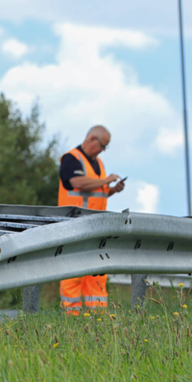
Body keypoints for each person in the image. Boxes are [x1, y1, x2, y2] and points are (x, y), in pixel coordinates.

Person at [57, 125, 126, 315]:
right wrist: (106, 181)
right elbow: (76, 183)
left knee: (96, 273)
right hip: (74, 225)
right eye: (103, 145)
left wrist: (111, 189)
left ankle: (98, 319)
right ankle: (71, 318)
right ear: (92, 139)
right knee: (73, 274)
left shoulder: (99, 163)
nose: (103, 150)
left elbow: (96, 193)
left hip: (97, 227)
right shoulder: (71, 158)